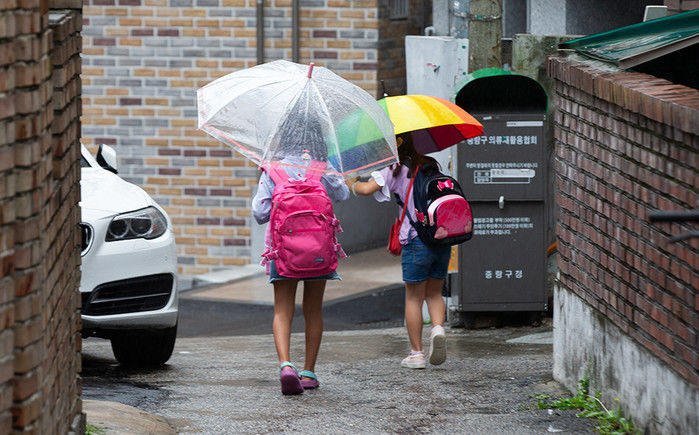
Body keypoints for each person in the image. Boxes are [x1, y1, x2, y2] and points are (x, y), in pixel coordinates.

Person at [252, 122, 349, 395]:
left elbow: (259, 213)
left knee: (282, 310)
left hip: (282, 251)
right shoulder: (323, 167)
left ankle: (285, 365)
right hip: (319, 251)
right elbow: (343, 194)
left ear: (284, 137)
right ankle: (308, 373)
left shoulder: (273, 169)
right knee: (313, 309)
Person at [347, 133, 450, 369]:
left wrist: (350, 182)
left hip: (416, 240)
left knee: (414, 297)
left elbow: (365, 189)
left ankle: (417, 354)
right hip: (441, 239)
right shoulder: (430, 164)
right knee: (434, 293)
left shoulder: (393, 168)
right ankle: (437, 329)